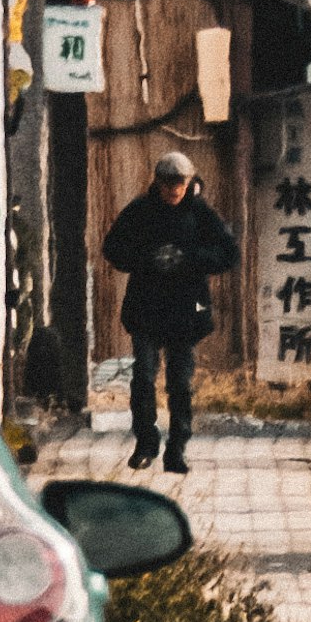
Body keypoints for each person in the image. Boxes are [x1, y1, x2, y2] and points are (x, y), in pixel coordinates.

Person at [102, 145, 238, 469]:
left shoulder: (200, 213)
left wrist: (189, 260)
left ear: (189, 182)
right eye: (168, 183)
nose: (174, 190)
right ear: (158, 182)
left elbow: (228, 253)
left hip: (185, 311)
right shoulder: (139, 211)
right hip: (147, 306)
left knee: (180, 383)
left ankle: (177, 448)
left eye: (180, 183)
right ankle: (145, 443)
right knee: (144, 377)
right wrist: (148, 260)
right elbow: (114, 248)